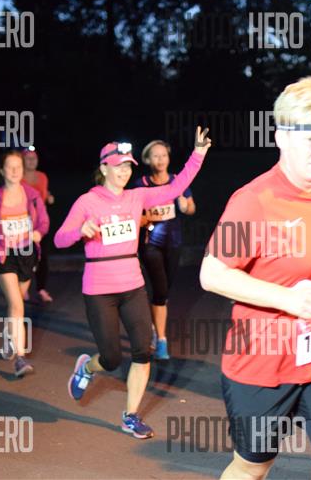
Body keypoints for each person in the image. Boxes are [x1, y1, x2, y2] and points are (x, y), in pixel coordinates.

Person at [199, 77, 311, 480]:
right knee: (252, 468)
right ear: (281, 138)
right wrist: (286, 298)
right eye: (309, 140)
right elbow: (212, 273)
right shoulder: (254, 201)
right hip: (263, 364)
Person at [57, 128, 211, 440]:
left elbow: (177, 186)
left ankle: (130, 416)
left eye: (128, 166)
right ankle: (87, 368)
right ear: (104, 168)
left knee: (143, 351)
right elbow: (60, 238)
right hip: (99, 289)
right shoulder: (88, 201)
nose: (125, 171)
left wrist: (198, 154)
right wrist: (79, 231)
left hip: (132, 286)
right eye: (118, 166)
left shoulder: (136, 196)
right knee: (112, 359)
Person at [0, 150, 50, 377]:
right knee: (18, 305)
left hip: (27, 254)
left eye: (19, 166)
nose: (16, 171)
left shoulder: (32, 195)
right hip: (4, 255)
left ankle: (9, 336)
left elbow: (44, 221)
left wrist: (38, 233)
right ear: (2, 170)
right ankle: (20, 358)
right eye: (10, 166)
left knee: (15, 304)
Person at [134, 139, 195, 359]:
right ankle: (161, 339)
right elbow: (133, 212)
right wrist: (142, 218)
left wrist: (185, 206)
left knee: (164, 291)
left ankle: (154, 325)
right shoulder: (141, 184)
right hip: (150, 243)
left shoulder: (178, 181)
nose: (160, 160)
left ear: (169, 158)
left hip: (174, 242)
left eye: (164, 155)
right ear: (147, 160)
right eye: (155, 156)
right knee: (160, 290)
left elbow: (191, 207)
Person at [21, 146, 55, 303]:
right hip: (24, 223)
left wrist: (49, 197)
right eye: (28, 158)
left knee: (43, 257)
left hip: (41, 223)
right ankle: (23, 288)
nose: (31, 161)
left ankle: (41, 288)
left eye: (34, 158)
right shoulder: (18, 177)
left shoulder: (42, 176)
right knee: (25, 256)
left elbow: (44, 194)